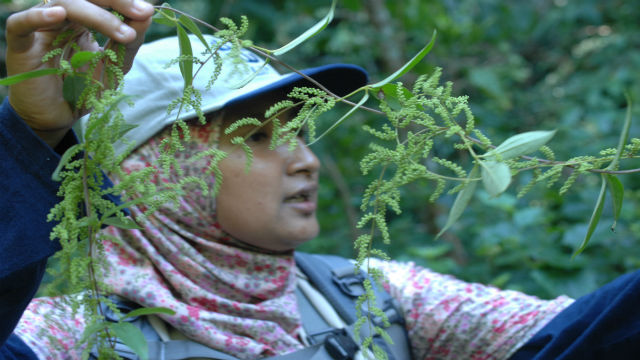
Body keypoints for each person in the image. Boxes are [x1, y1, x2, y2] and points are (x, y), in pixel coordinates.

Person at [2, 2, 640, 360]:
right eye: (256, 137)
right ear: (147, 172)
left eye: (300, 131)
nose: (303, 159)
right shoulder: (69, 338)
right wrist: (26, 134)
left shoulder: (374, 301)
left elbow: (583, 338)